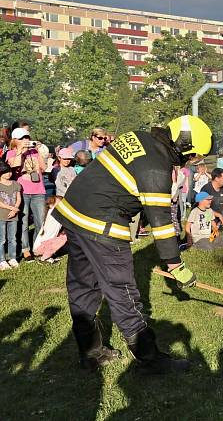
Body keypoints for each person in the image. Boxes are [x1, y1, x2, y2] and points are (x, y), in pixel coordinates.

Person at [52, 116, 211, 373]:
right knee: (123, 292)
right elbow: (160, 222)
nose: (192, 162)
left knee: (83, 285)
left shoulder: (138, 136)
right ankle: (150, 360)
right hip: (101, 224)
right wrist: (174, 263)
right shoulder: (157, 169)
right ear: (185, 148)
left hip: (74, 213)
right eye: (194, 157)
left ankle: (91, 354)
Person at [5, 127, 47, 261]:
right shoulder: (11, 153)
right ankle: (26, 249)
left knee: (40, 221)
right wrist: (20, 151)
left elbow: (43, 168)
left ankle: (37, 246)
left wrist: (39, 151)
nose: (26, 140)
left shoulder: (34, 151)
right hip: (22, 191)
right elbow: (13, 166)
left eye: (27, 137)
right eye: (22, 138)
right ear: (15, 140)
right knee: (23, 222)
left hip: (38, 190)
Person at [0, 160, 22, 270]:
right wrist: (11, 208)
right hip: (2, 215)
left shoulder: (15, 184)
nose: (8, 174)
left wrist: (15, 210)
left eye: (9, 171)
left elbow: (18, 198)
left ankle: (12, 257)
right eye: (5, 172)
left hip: (14, 215)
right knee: (1, 239)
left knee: (12, 238)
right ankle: (2, 260)